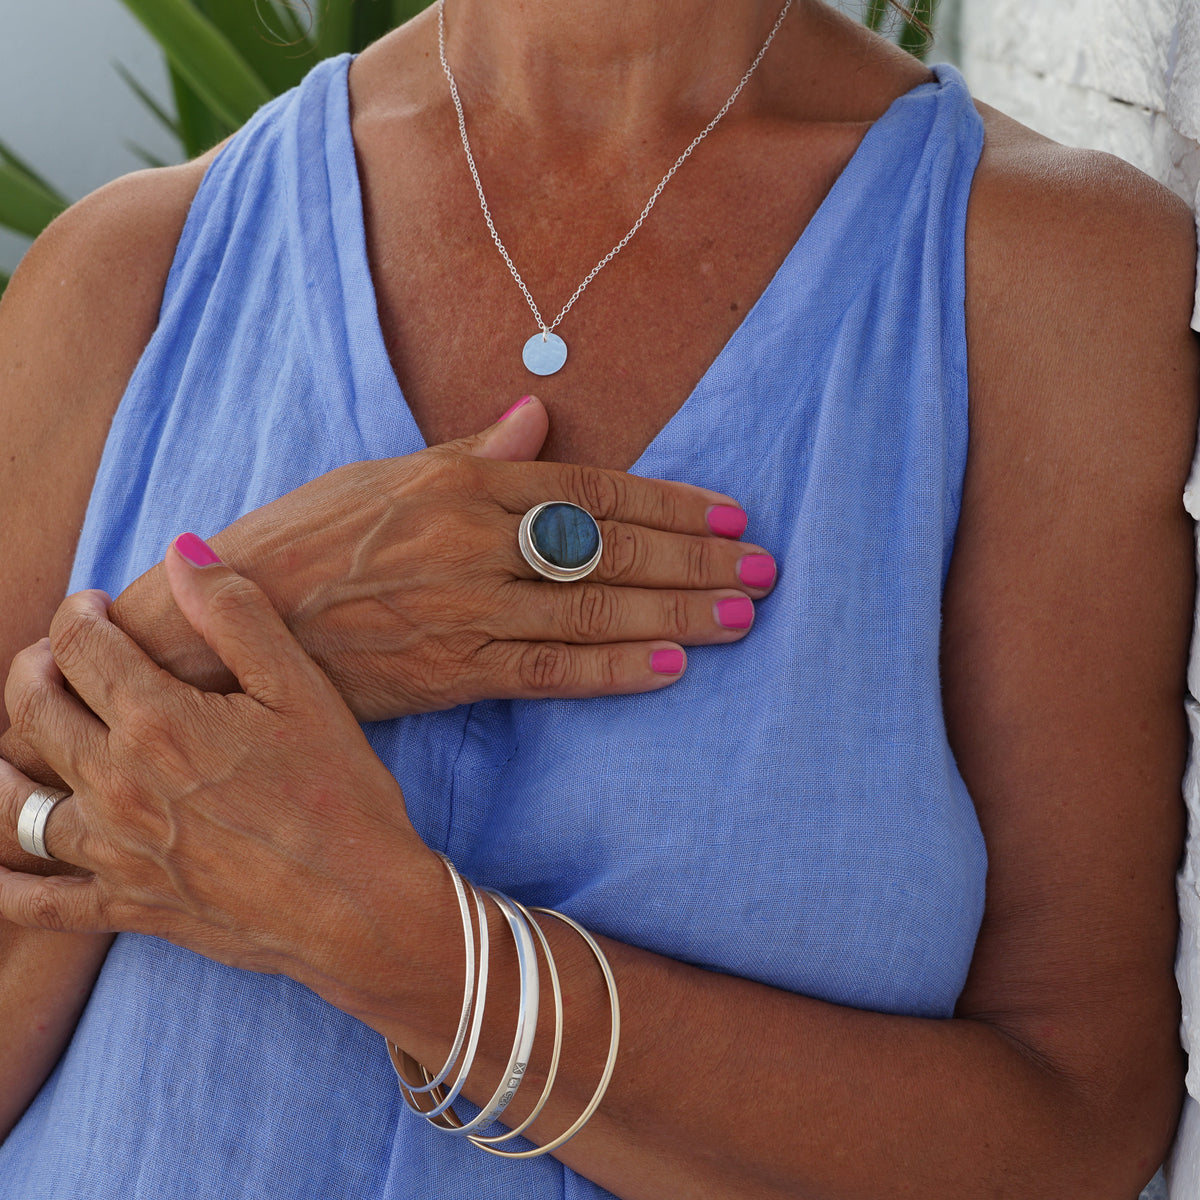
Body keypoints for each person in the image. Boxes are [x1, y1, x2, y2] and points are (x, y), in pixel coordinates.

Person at [0, 0, 1195, 1195]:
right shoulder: (125, 273)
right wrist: (239, 616)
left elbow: (1073, 1130)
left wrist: (414, 953)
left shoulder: (1041, 284)